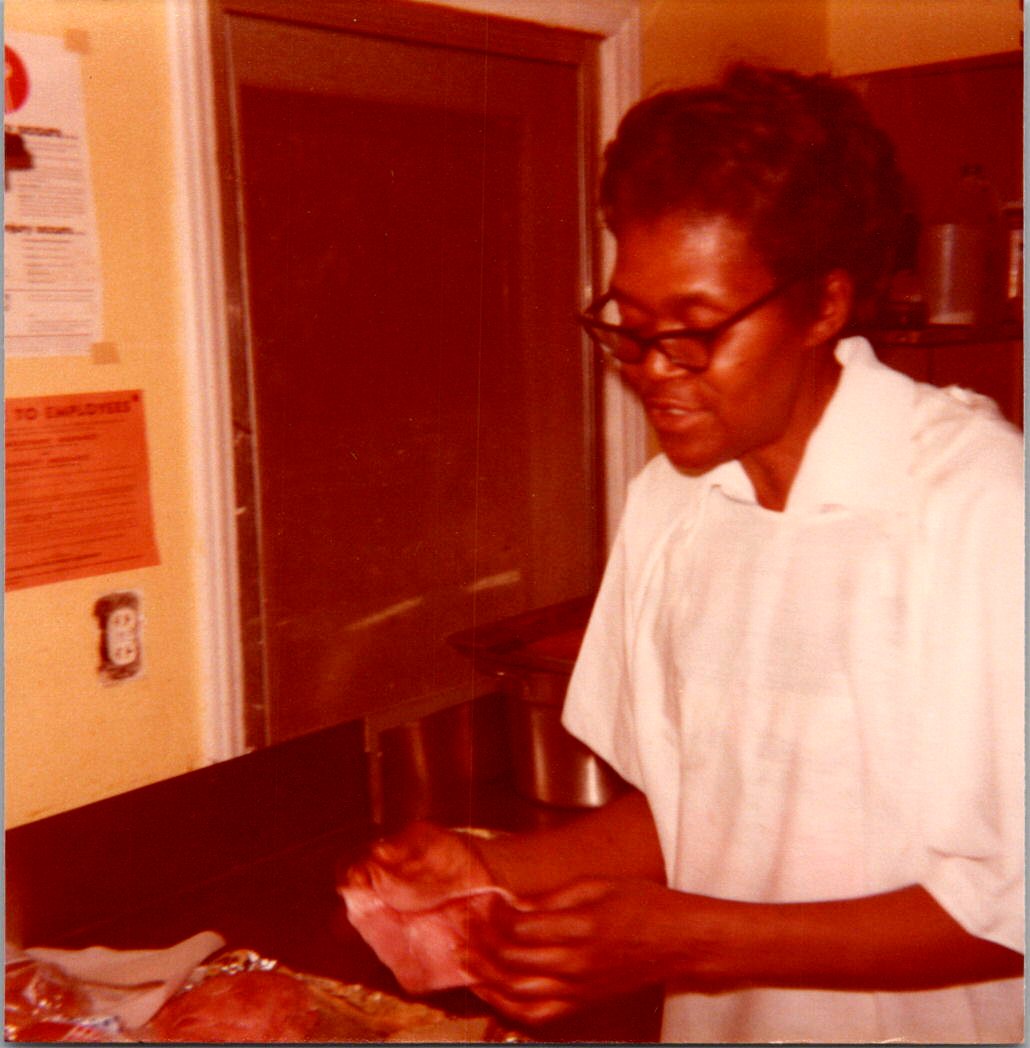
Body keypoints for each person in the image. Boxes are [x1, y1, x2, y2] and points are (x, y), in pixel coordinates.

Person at [341, 64, 1024, 1043]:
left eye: (696, 331)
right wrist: (497, 867)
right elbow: (700, 798)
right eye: (631, 327)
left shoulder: (977, 506)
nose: (653, 372)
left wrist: (687, 940)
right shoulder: (672, 500)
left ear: (824, 305)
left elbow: (1010, 909)